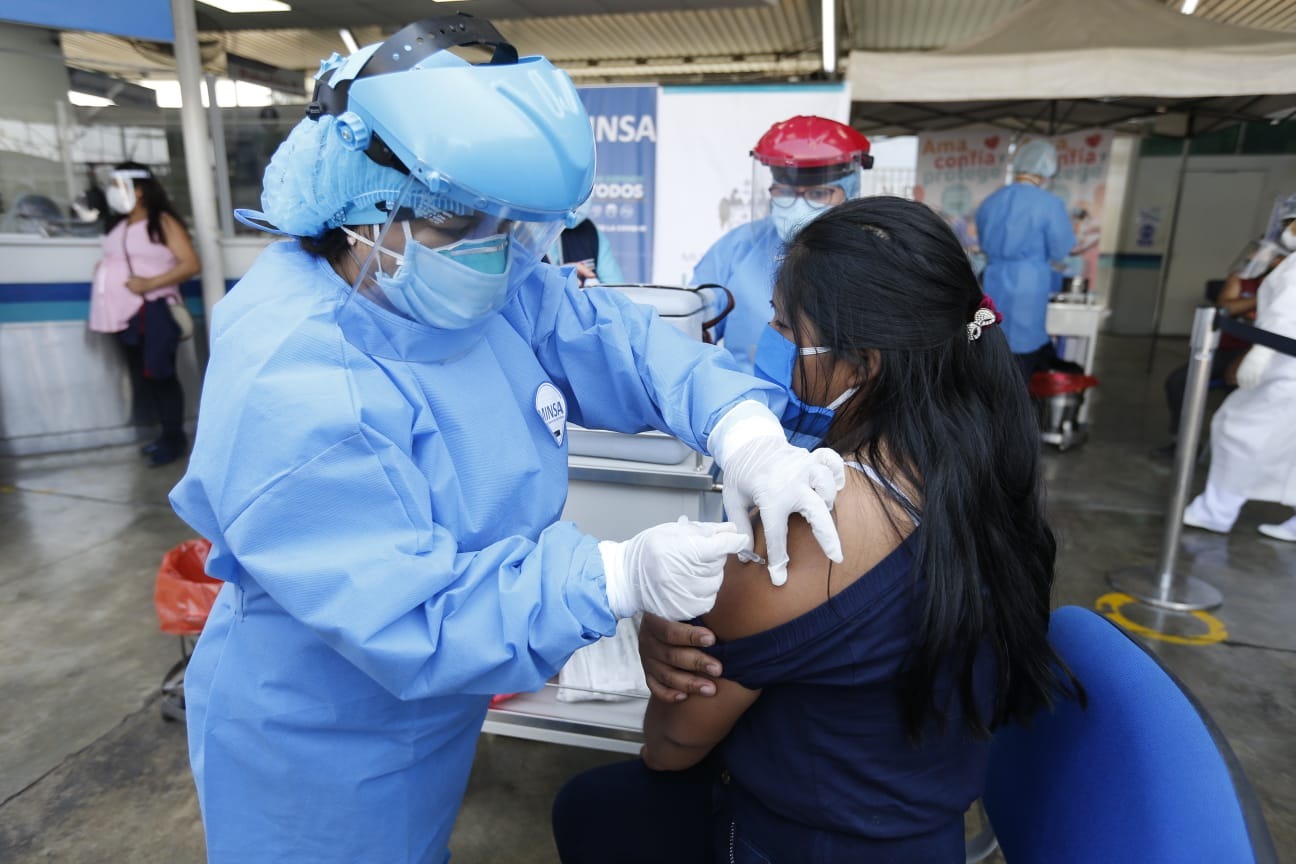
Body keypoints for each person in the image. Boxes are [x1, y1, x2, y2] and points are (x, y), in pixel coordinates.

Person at [167, 17, 849, 864]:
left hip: (437, 704)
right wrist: (614, 575)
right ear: (361, 208)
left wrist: (741, 429)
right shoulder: (296, 379)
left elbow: (615, 339)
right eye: (459, 223)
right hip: (318, 733)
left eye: (506, 224)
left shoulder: (464, 277)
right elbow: (412, 612)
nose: (492, 251)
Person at [552, 196, 1084, 864]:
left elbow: (669, 745)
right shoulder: (991, 467)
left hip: (797, 842)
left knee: (589, 808)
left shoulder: (812, 527)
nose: (772, 342)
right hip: (922, 834)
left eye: (785, 326)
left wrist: (658, 622)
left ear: (862, 362)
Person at [692, 116, 872, 372]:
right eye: (785, 192)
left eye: (818, 194)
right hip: (747, 395)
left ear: (850, 190)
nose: (799, 206)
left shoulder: (873, 257)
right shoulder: (738, 248)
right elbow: (693, 329)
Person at [1156, 194, 1295, 458]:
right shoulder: (1244, 280)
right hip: (1229, 349)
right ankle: (1182, 442)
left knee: (1250, 398)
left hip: (1270, 356)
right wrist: (1260, 294)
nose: (1257, 257)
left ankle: (1239, 452)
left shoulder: (1288, 284)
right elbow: (1225, 307)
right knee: (1179, 382)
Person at [1183, 218, 1296, 541]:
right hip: (1285, 364)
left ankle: (1216, 511)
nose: (1287, 230)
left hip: (1285, 367)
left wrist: (1260, 353)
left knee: (1239, 430)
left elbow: (1285, 317)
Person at [87, 162, 200, 466]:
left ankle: (175, 440)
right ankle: (164, 436)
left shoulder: (161, 222)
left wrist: (150, 283)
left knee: (161, 374)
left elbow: (190, 264)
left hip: (152, 310)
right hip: (123, 315)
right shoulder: (119, 225)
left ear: (138, 190)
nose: (112, 192)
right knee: (145, 377)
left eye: (117, 185)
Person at [975, 139, 1077, 383]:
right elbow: (1060, 250)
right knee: (1022, 357)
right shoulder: (1050, 204)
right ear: (1047, 168)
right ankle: (1014, 404)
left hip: (993, 281)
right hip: (1028, 287)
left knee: (993, 351)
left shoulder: (990, 202)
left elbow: (984, 243)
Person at [550, 197, 625, 287]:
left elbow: (617, 288)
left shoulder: (590, 231)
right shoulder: (533, 236)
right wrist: (554, 278)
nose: (582, 198)